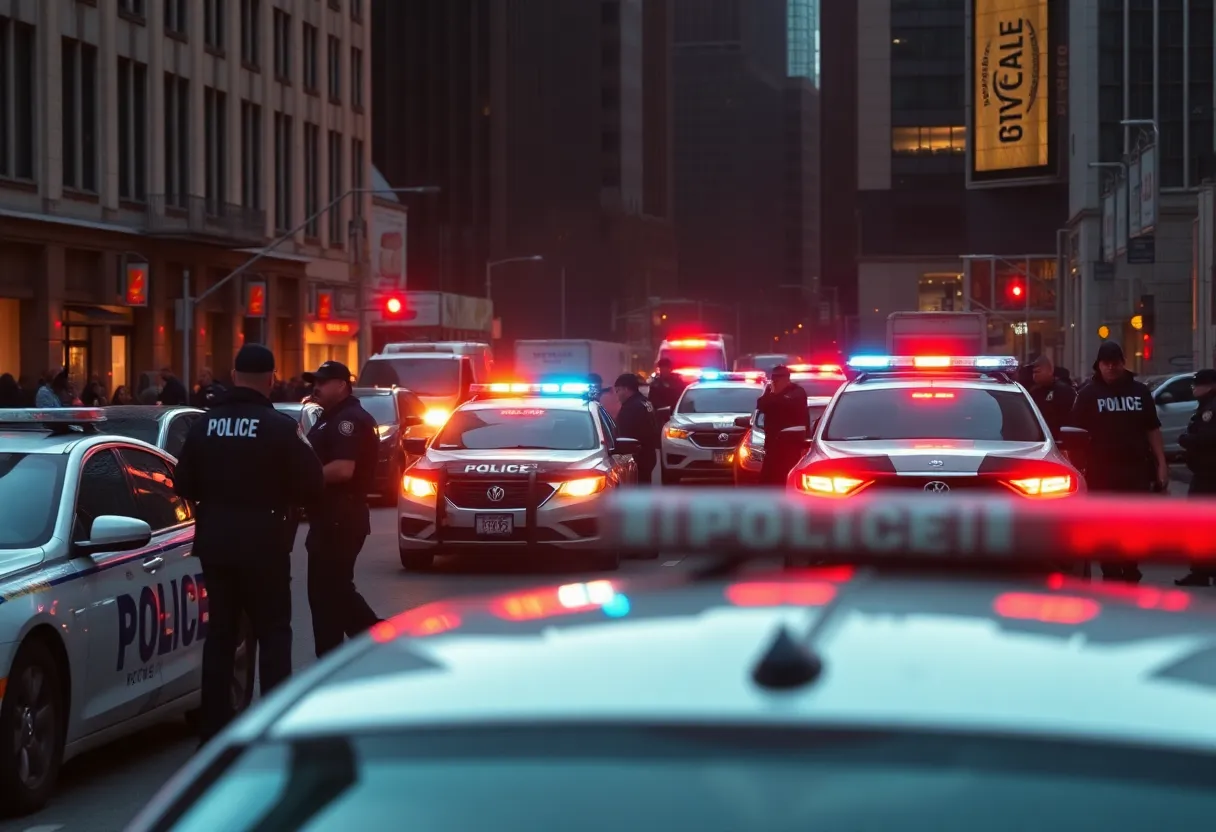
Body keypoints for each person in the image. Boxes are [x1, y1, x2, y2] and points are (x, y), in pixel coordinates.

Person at [173, 344, 325, 744]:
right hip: (266, 545)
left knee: (221, 635)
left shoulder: (205, 425)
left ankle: (213, 731)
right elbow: (313, 482)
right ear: (271, 379)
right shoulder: (279, 427)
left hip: (216, 546)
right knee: (273, 633)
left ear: (233, 376)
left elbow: (182, 483)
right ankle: (273, 729)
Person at [1069, 342, 1169, 584]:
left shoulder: (1140, 392)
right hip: (1101, 472)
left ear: (1123, 363)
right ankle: (1111, 571)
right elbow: (1074, 434)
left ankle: (1131, 567)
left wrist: (1162, 464)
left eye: (1115, 363)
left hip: (1135, 470)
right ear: (1099, 365)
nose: (1111, 368)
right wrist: (1076, 468)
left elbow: (1152, 429)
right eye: (1106, 363)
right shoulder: (1087, 394)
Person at [302, 361, 383, 657]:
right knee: (330, 592)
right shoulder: (332, 417)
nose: (316, 387)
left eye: (323, 382)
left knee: (330, 591)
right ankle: (339, 655)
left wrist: (302, 478)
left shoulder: (347, 420)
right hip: (331, 516)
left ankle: (380, 640)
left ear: (341, 385)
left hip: (340, 517)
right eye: (315, 382)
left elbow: (343, 469)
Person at [1175, 369, 1216, 586]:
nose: (1194, 389)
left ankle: (1201, 571)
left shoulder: (1211, 409)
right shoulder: (1206, 406)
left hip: (1208, 475)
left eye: (1197, 385)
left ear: (1209, 386)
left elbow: (1208, 438)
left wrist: (1186, 440)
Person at [755, 365, 810, 486]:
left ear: (786, 379)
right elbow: (761, 405)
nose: (775, 382)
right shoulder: (771, 392)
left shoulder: (797, 392)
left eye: (778, 380)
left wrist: (775, 395)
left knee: (788, 480)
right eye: (773, 380)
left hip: (792, 446)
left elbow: (784, 404)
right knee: (767, 482)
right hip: (773, 445)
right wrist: (773, 393)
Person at [613, 372, 659, 485]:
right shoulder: (645, 402)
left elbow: (624, 434)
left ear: (626, 389)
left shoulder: (631, 408)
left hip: (637, 457)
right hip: (648, 454)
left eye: (618, 390)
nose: (617, 395)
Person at [1028, 355, 1076, 438]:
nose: (1035, 375)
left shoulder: (1064, 391)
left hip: (1059, 437)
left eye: (1038, 372)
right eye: (1034, 372)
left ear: (1050, 371)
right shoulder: (1034, 392)